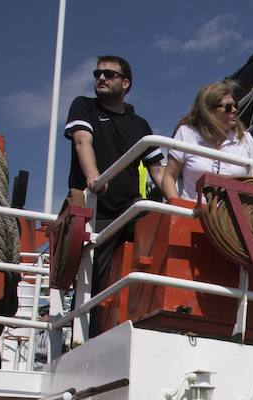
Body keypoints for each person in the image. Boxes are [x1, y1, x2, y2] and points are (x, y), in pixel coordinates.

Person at [64, 55, 165, 310]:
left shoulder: (140, 125)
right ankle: (83, 332)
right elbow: (81, 141)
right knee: (93, 275)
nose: (101, 78)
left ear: (126, 83)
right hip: (95, 208)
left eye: (109, 74)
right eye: (97, 73)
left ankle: (148, 313)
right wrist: (93, 176)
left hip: (128, 208)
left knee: (153, 246)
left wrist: (177, 202)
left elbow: (157, 170)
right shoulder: (84, 106)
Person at [160, 79, 253, 202]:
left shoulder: (246, 139)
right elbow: (169, 177)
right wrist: (177, 208)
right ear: (208, 111)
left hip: (233, 217)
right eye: (228, 107)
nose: (234, 110)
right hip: (192, 214)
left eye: (236, 105)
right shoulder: (187, 134)